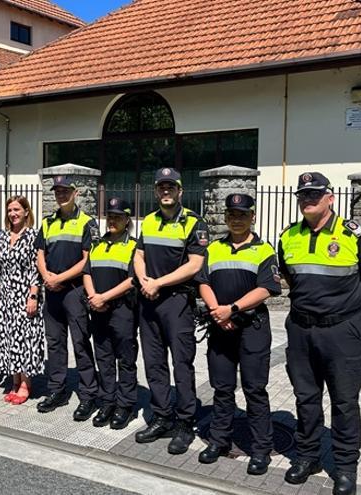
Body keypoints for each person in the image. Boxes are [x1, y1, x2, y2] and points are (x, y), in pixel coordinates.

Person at [278, 172, 361, 495]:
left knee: (344, 401)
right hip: (300, 328)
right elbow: (288, 278)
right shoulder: (288, 236)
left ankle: (345, 467)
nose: (308, 199)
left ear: (330, 197)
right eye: (303, 195)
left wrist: (352, 310)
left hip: (342, 330)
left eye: (315, 194)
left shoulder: (354, 235)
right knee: (306, 398)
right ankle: (308, 456)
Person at [195, 193, 281, 475]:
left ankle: (260, 449)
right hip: (220, 327)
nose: (236, 219)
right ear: (225, 217)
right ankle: (219, 440)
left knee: (255, 390)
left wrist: (231, 309)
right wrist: (217, 311)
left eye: (242, 214)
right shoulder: (214, 248)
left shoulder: (264, 249)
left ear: (252, 217)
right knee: (222, 388)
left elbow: (266, 288)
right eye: (232, 214)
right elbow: (203, 282)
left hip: (252, 328)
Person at [133, 167, 208, 455]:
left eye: (171, 187)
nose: (166, 192)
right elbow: (138, 255)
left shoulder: (194, 222)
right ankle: (162, 416)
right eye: (161, 187)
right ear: (156, 191)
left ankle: (185, 422)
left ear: (180, 191)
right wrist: (144, 281)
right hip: (149, 300)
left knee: (181, 364)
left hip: (176, 301)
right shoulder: (149, 221)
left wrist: (158, 283)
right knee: (153, 363)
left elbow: (194, 264)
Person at [35, 175, 99, 420]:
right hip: (51, 292)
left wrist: (59, 279)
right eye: (57, 192)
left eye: (65, 191)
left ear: (76, 193)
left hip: (74, 291)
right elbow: (40, 253)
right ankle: (57, 390)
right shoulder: (48, 222)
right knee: (55, 343)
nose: (61, 195)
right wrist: (46, 276)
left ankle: (88, 395)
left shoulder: (87, 222)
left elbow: (88, 259)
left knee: (81, 343)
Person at [82, 197, 138, 429]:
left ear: (127, 220)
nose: (113, 220)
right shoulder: (97, 244)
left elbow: (133, 280)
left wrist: (104, 297)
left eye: (119, 217)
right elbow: (87, 273)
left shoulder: (134, 246)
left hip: (122, 310)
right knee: (103, 358)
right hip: (98, 309)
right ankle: (108, 400)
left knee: (125, 359)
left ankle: (125, 405)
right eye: (110, 216)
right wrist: (94, 297)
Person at [0, 196, 44, 405]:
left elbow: (36, 269)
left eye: (17, 210)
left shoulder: (32, 236)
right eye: (10, 210)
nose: (13, 214)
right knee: (8, 338)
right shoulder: (3, 236)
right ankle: (14, 378)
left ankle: (25, 383)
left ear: (26, 212)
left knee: (25, 339)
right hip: (6, 297)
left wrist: (33, 295)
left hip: (25, 295)